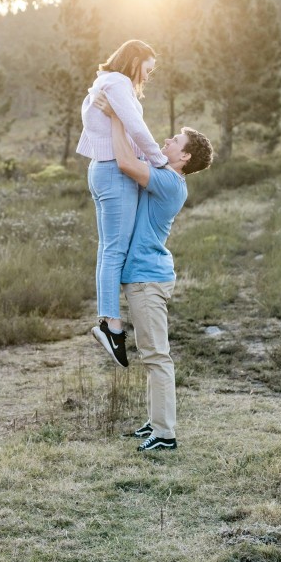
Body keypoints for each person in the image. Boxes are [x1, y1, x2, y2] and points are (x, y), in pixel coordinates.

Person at [94, 92, 213, 452]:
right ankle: (155, 422)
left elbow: (128, 163)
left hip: (148, 279)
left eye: (175, 140)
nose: (167, 141)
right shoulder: (166, 175)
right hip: (146, 276)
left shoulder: (170, 182)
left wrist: (116, 115)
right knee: (151, 353)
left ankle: (165, 434)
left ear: (185, 156)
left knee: (157, 356)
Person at [76, 40, 168, 367]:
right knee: (114, 250)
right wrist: (159, 162)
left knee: (108, 249)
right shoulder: (118, 82)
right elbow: (136, 127)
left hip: (102, 169)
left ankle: (109, 322)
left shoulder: (104, 83)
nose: (148, 75)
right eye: (148, 67)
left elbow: (111, 131)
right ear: (135, 60)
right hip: (114, 173)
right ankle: (111, 326)